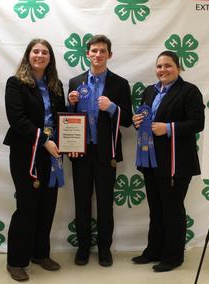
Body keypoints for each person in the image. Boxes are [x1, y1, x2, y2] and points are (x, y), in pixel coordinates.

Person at [131, 51, 205, 272]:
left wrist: (169, 128)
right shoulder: (149, 91)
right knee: (156, 209)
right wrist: (138, 121)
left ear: (178, 68)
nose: (162, 70)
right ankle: (153, 251)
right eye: (159, 66)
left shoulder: (189, 91)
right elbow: (146, 121)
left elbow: (197, 123)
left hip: (176, 163)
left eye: (168, 66)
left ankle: (173, 257)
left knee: (172, 210)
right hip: (151, 161)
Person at [3, 38, 66, 281]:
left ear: (50, 58)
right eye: (35, 51)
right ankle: (16, 261)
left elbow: (61, 117)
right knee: (27, 207)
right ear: (28, 55)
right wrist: (44, 141)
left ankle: (40, 254)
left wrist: (70, 109)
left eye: (45, 52)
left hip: (52, 153)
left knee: (47, 205)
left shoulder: (55, 84)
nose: (40, 55)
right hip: (25, 152)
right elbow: (17, 119)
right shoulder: (16, 83)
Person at [67, 35, 132, 267]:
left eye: (102, 51)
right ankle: (83, 248)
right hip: (80, 153)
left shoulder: (120, 84)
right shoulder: (74, 82)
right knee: (81, 202)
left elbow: (128, 121)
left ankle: (104, 249)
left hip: (107, 154)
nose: (97, 54)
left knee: (105, 203)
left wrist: (113, 107)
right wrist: (70, 103)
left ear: (109, 55)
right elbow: (68, 119)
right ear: (87, 54)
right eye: (94, 50)